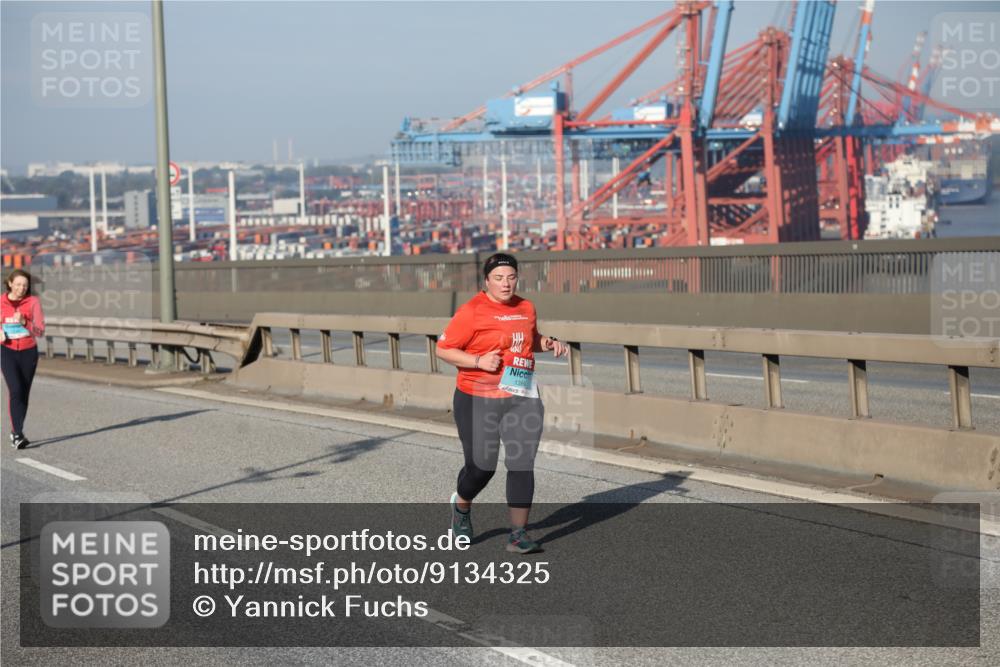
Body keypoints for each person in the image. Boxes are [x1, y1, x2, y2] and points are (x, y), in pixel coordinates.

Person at [436, 253, 568, 554]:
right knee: (482, 468)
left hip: (521, 395)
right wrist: (478, 360)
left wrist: (547, 343)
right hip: (476, 397)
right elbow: (444, 349)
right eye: (498, 278)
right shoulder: (472, 311)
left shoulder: (526, 307)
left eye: (511, 277)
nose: (506, 283)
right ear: (486, 281)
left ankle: (518, 535)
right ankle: (461, 505)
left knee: (521, 463)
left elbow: (527, 339)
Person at [1, 269, 45, 449]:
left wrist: (24, 322)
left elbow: (40, 331)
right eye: (18, 284)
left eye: (25, 285)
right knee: (16, 389)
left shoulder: (33, 302)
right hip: (7, 350)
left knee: (24, 393)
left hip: (28, 352)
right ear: (10, 283)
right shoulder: (1, 301)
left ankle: (16, 431)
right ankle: (18, 434)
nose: (21, 288)